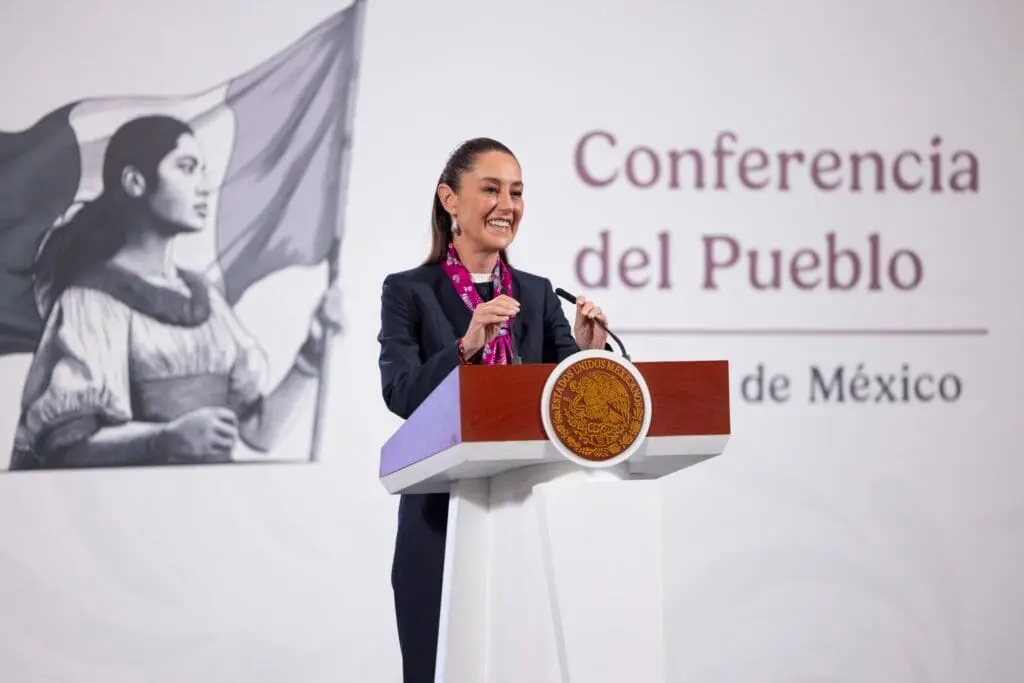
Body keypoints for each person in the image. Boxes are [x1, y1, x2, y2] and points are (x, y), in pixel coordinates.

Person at [376, 137, 610, 682]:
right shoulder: (409, 291)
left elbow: (568, 406)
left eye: (517, 192)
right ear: (449, 200)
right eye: (490, 189)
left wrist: (589, 355)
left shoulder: (537, 292)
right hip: (437, 517)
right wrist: (466, 345)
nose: (507, 204)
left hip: (525, 514)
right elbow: (401, 393)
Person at [9, 114, 341, 470]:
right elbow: (66, 447)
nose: (204, 186)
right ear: (135, 181)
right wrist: (164, 438)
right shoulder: (90, 301)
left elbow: (260, 432)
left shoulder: (207, 300)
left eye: (201, 169)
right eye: (187, 168)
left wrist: (312, 354)